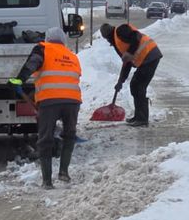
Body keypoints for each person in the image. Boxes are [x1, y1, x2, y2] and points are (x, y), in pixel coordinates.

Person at [10, 26, 82, 188]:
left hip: (50, 101)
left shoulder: (43, 48)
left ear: (48, 39)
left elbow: (32, 64)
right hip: (72, 101)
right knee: (69, 135)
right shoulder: (72, 55)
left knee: (45, 139)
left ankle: (47, 182)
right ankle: (64, 172)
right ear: (63, 40)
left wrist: (19, 80)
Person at [99, 21, 161, 127]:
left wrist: (130, 52)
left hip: (150, 55)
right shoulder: (117, 42)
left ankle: (142, 119)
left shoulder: (120, 30)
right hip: (146, 59)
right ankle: (138, 117)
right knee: (135, 86)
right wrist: (121, 81)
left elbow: (135, 36)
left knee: (139, 87)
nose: (108, 41)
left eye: (107, 39)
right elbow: (126, 63)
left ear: (108, 36)